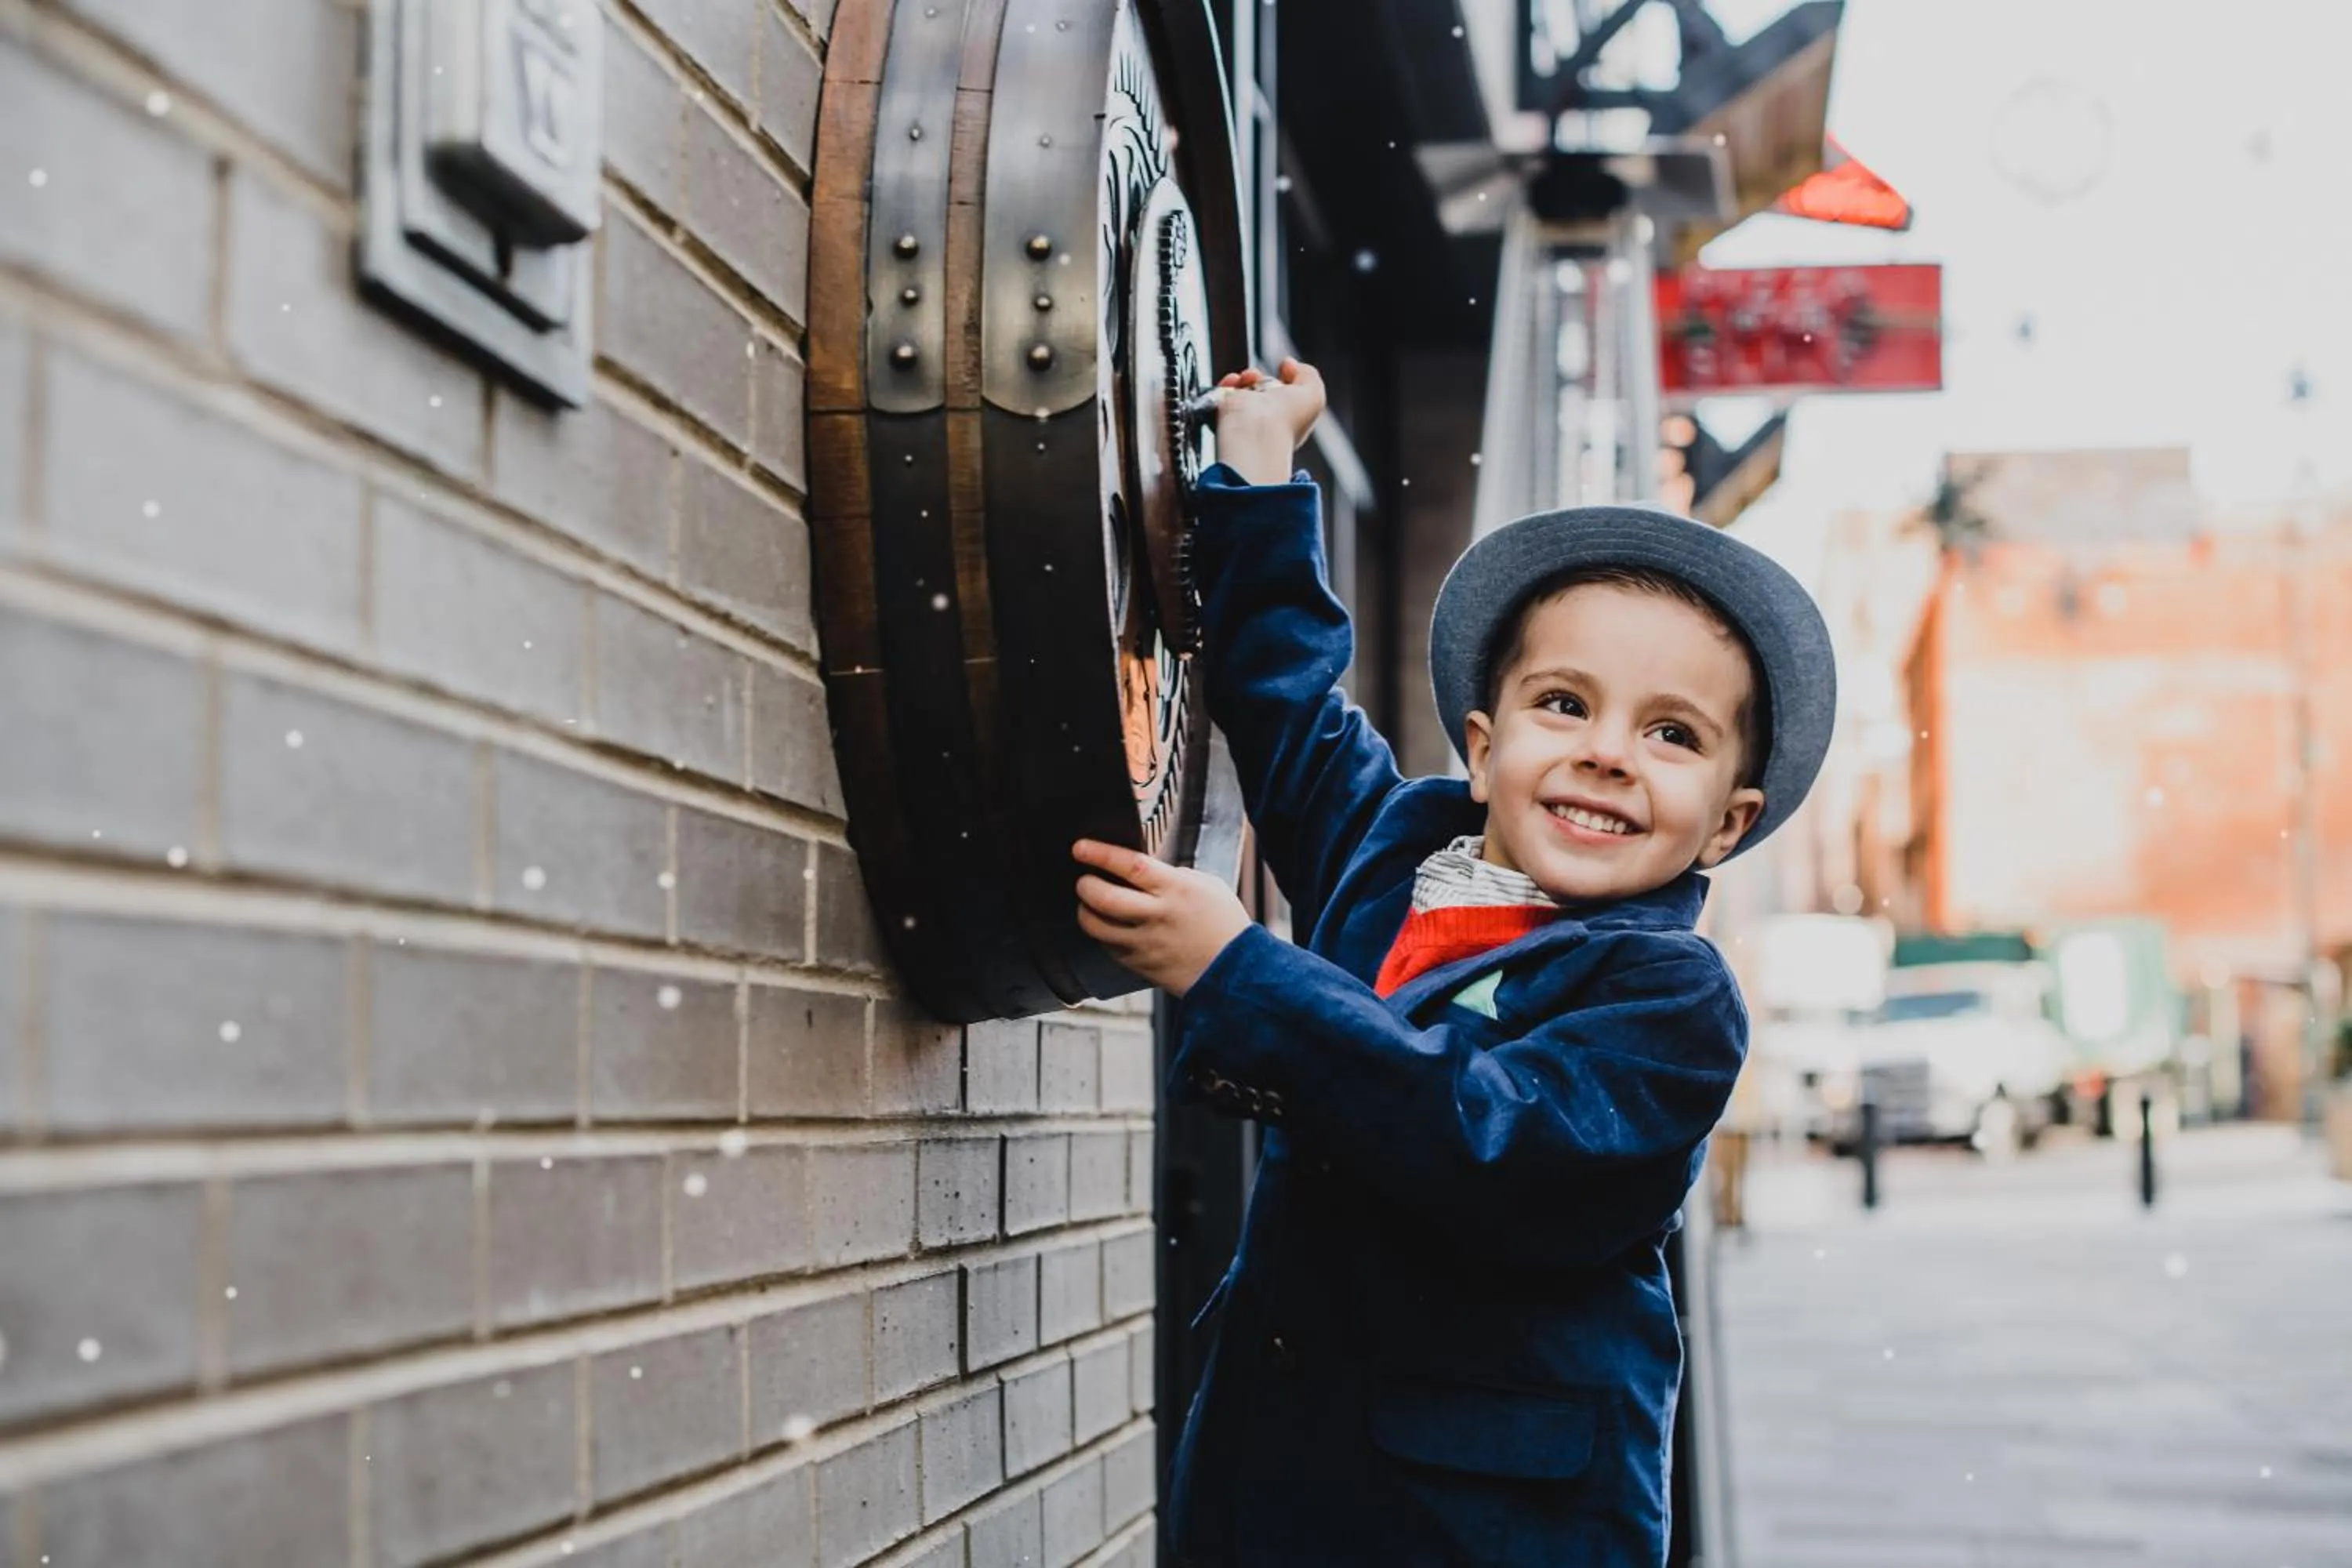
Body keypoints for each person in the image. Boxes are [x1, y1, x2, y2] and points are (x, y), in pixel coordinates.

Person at [1070, 359, 1835, 1566]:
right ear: (1484, 750)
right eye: (1564, 704)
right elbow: (1287, 699)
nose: (1608, 754)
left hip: (1489, 1523)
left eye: (1671, 733)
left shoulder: (1670, 1001)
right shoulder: (1394, 855)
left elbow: (1491, 1140)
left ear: (1727, 824)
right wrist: (1260, 468)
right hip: (1281, 1474)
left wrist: (1236, 969)